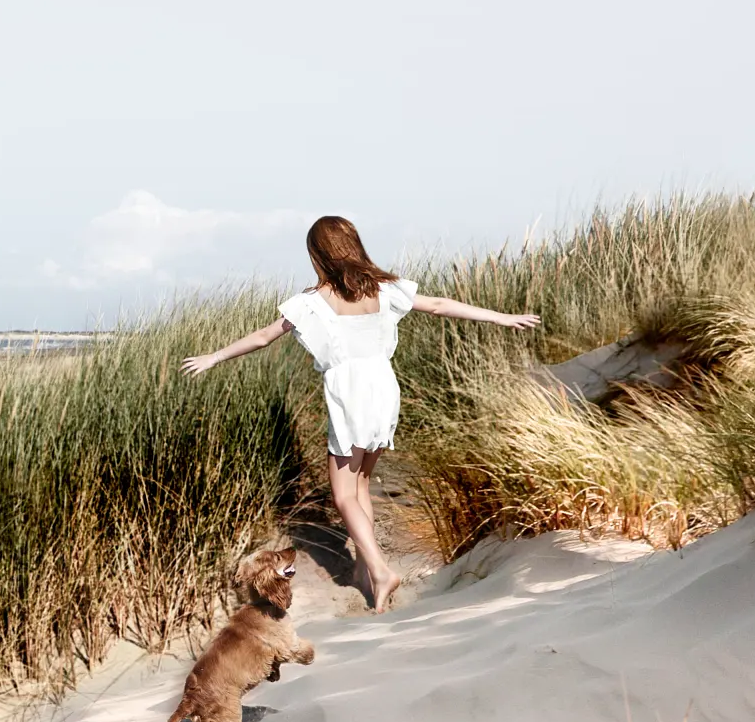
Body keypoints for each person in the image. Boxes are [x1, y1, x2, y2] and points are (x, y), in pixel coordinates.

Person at [180, 216, 539, 612]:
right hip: (383, 387)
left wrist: (213, 357)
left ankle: (381, 571)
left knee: (342, 494)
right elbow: (437, 305)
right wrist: (501, 317)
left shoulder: (313, 302)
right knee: (362, 483)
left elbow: (265, 336)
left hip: (349, 392)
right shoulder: (384, 289)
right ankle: (363, 571)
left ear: (318, 254)